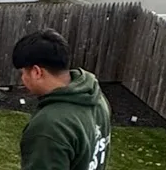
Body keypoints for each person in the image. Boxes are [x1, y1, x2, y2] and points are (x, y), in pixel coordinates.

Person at [12, 29, 112, 170]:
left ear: (36, 72)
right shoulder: (96, 98)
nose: (22, 79)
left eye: (22, 73)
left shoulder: (49, 126)